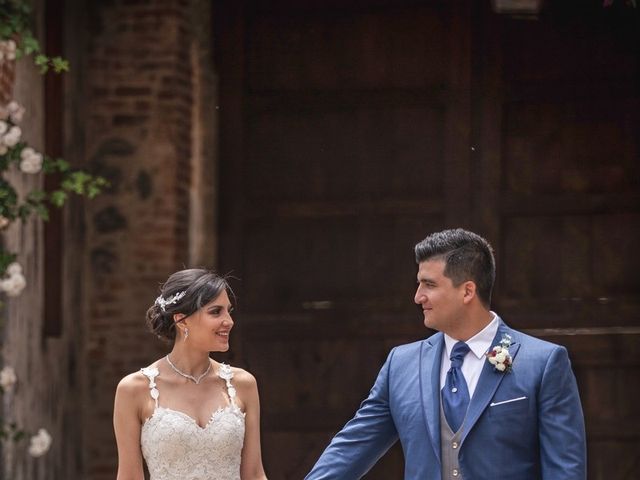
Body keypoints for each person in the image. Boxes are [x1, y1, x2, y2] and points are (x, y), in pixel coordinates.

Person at [306, 228, 586, 479]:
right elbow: (352, 448)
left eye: (429, 284)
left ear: (467, 291)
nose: (417, 297)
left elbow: (565, 470)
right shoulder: (400, 364)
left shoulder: (543, 363)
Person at [113, 269, 268, 480]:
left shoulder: (243, 384)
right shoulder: (134, 389)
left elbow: (255, 474)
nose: (229, 321)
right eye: (216, 312)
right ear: (182, 320)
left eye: (229, 311)